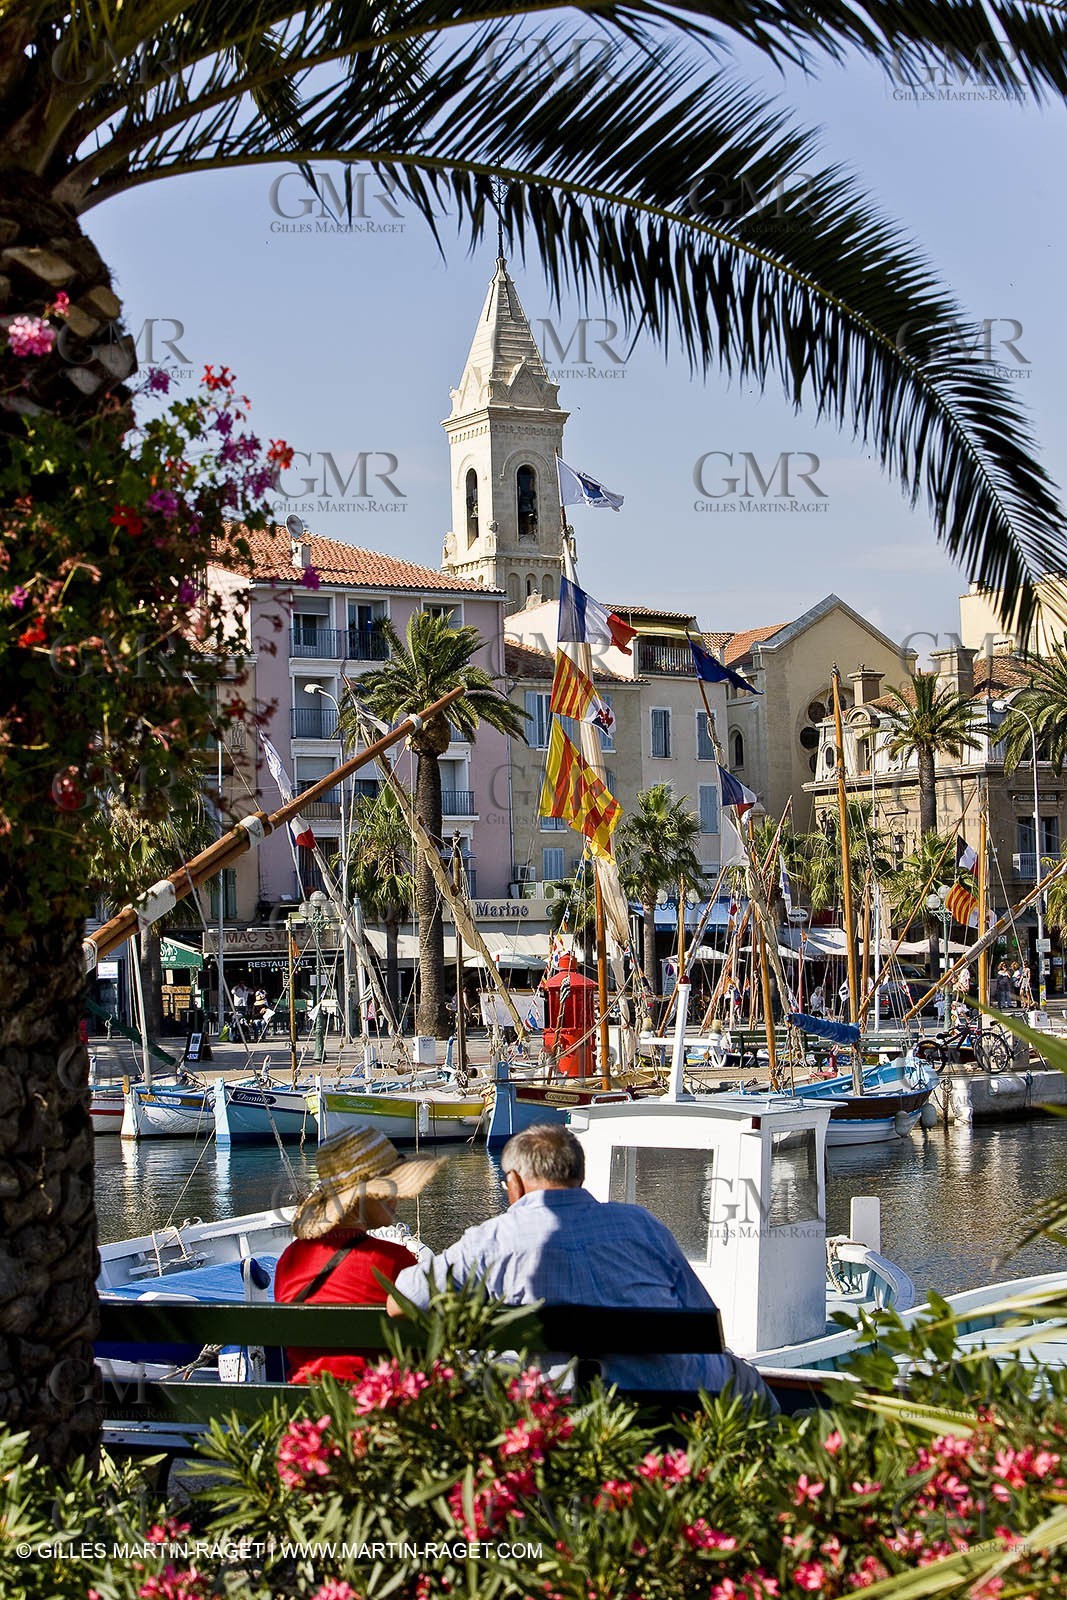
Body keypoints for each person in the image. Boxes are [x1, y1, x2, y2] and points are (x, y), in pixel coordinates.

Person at [388, 1123, 775, 1407]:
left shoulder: (491, 1239)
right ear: (579, 1175)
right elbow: (701, 1317)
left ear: (515, 1184)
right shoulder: (642, 1225)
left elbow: (401, 1300)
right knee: (746, 1379)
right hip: (666, 1401)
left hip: (552, 1411)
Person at [274, 1126, 442, 1383]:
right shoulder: (395, 1261)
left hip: (305, 1409)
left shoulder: (289, 1260)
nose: (397, 1196)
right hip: (377, 1410)